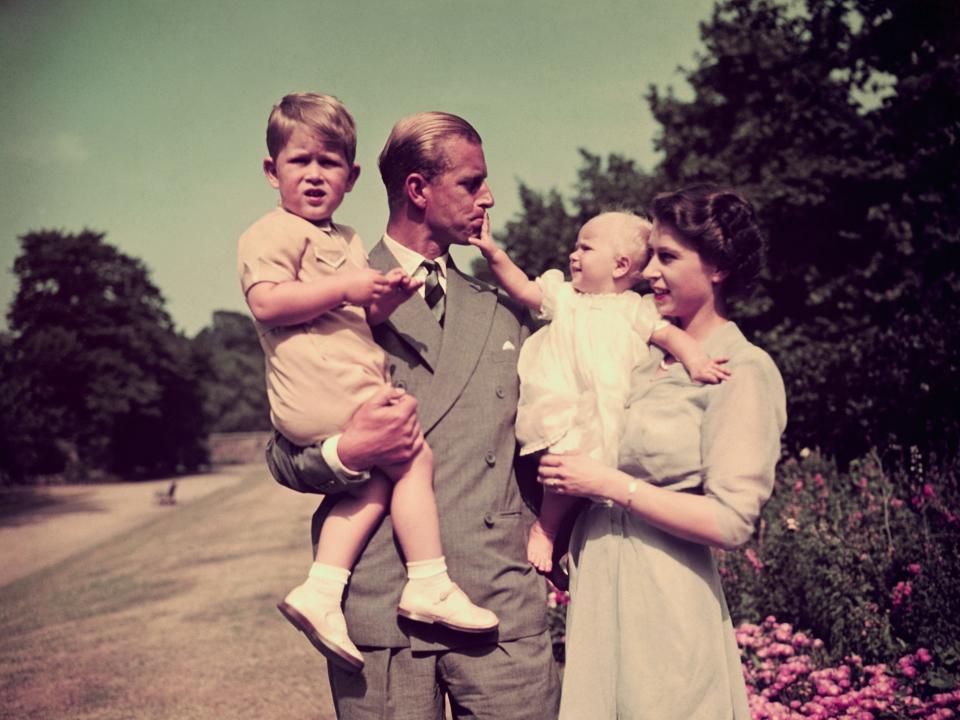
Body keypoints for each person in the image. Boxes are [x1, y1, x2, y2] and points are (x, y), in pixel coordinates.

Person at [265, 111, 561, 719]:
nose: (490, 197)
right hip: (380, 607)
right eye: (472, 183)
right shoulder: (326, 292)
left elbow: (553, 438)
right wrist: (346, 454)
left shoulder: (505, 311)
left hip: (499, 604)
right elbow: (281, 451)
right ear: (418, 189)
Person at [237, 93, 498, 674]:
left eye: (328, 164)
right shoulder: (275, 235)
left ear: (351, 177)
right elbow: (268, 304)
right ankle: (425, 580)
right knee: (408, 458)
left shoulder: (351, 247)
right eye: (299, 162)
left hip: (497, 593)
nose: (313, 176)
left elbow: (358, 317)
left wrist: (382, 299)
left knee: (390, 474)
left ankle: (322, 590)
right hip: (325, 402)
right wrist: (344, 452)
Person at [538, 186, 787, 719]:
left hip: (667, 609)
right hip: (599, 596)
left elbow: (731, 521)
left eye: (668, 257)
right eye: (650, 255)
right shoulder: (638, 358)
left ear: (717, 267)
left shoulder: (742, 370)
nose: (650, 272)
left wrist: (608, 485)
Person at [470, 210, 729, 580]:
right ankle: (545, 529)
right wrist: (493, 252)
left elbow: (671, 336)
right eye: (576, 246)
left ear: (620, 264)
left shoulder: (634, 310)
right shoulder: (566, 297)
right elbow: (523, 288)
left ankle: (560, 550)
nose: (573, 255)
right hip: (564, 405)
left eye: (585, 248)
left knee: (594, 483)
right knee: (566, 467)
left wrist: (697, 360)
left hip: (611, 409)